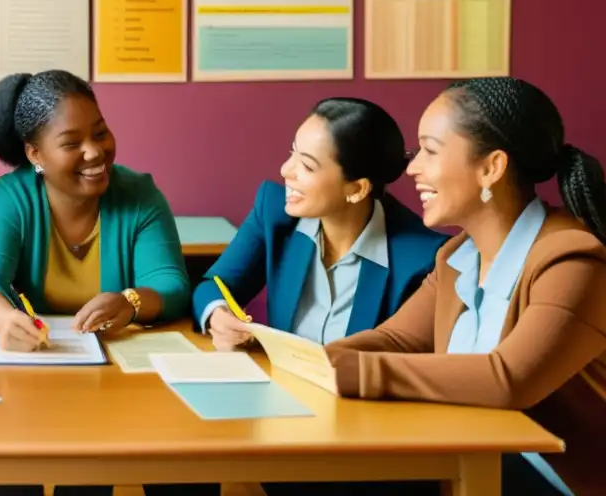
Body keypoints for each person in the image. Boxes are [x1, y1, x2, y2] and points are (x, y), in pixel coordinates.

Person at [306, 77, 606, 496]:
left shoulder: (573, 259)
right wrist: (308, 363)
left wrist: (347, 372)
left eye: (430, 150)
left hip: (549, 479)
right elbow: (395, 339)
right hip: (475, 454)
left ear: (491, 167)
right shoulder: (456, 258)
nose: (412, 168)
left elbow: (508, 379)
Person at [0, 70, 210, 496]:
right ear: (35, 152)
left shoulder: (138, 194)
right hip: (31, 378)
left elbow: (170, 282)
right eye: (72, 143)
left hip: (115, 382)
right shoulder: (10, 197)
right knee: (10, 473)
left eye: (101, 132)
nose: (95, 152)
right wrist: (2, 320)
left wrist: (130, 301)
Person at [193, 98, 447, 352]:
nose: (285, 170)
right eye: (292, 153)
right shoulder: (274, 212)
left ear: (357, 189)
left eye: (307, 165)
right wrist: (217, 313)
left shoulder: (422, 259)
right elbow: (213, 285)